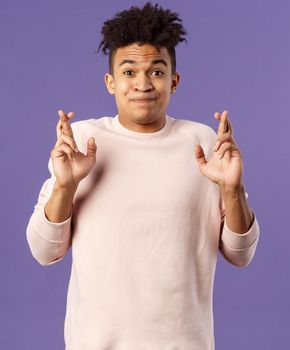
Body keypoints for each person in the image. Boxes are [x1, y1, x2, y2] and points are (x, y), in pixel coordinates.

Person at [24, 3, 260, 348]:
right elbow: (43, 251)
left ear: (174, 82)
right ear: (110, 82)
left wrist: (232, 189)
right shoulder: (83, 140)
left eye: (157, 72)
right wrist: (65, 185)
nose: (143, 84)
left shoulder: (204, 143)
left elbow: (241, 255)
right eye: (129, 72)